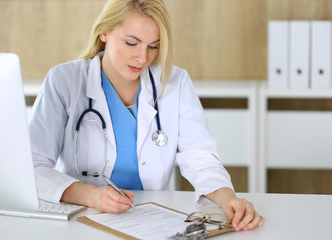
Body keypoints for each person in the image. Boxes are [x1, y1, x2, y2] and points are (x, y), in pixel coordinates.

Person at [29, 0, 264, 231]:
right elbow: (33, 165)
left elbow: (199, 156)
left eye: (154, 46)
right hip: (81, 219)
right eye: (132, 43)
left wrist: (228, 199)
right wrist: (91, 195)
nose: (143, 58)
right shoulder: (64, 81)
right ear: (104, 33)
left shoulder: (174, 83)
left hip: (150, 221)